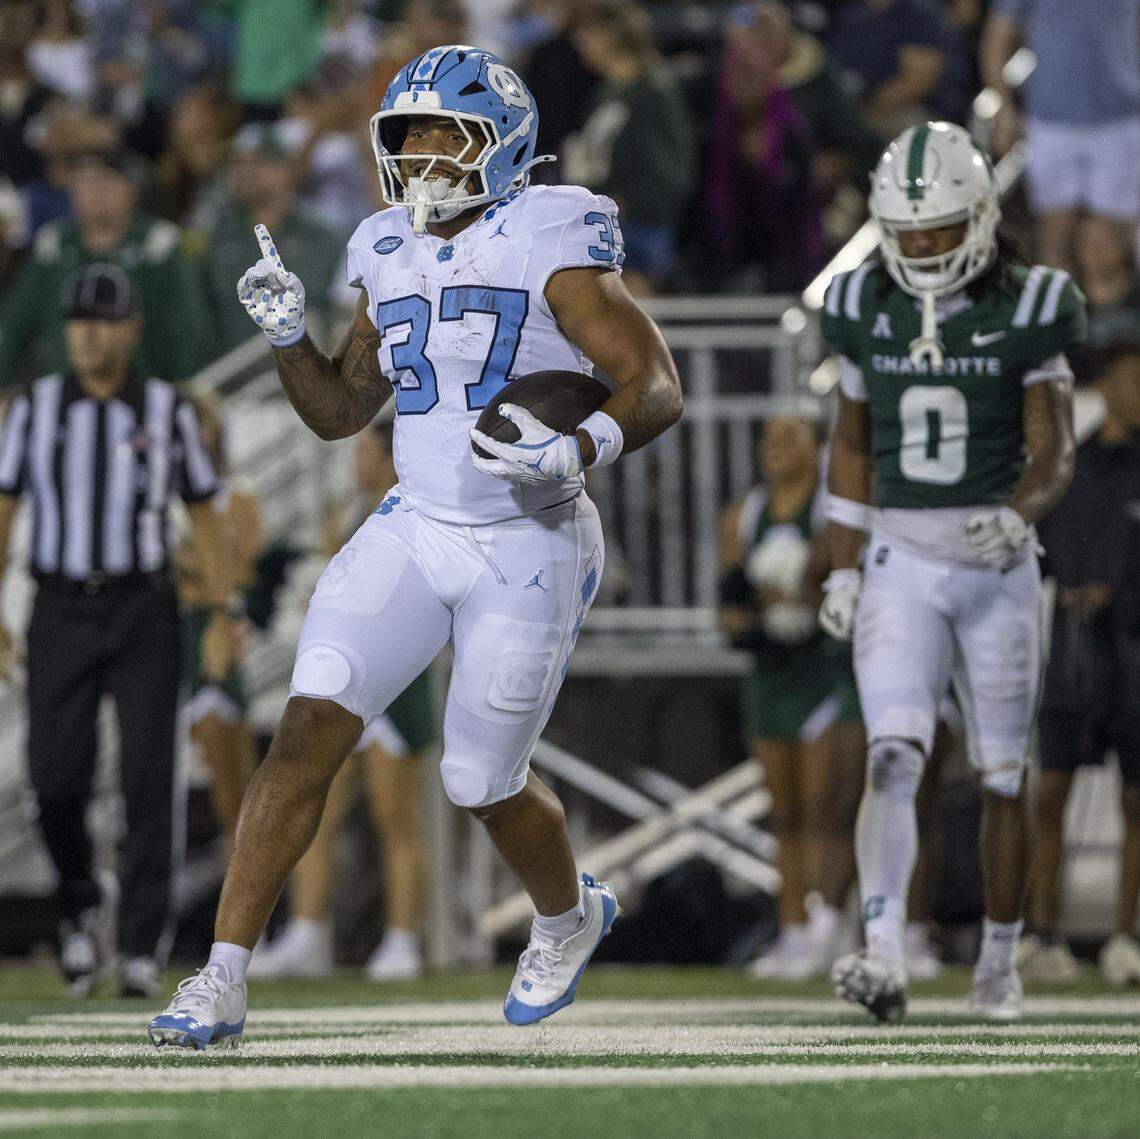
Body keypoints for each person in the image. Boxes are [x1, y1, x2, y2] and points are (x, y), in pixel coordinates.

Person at [147, 44, 682, 1049]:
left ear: (505, 143)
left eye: (451, 135)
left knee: (480, 781)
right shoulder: (383, 245)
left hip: (531, 536)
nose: (428, 156)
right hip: (416, 521)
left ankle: (569, 916)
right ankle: (219, 977)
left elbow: (654, 380)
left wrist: (582, 446)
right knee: (306, 725)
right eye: (410, 138)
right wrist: (285, 338)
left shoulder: (550, 237)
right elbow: (344, 410)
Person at [818, 122, 1082, 1023]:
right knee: (893, 752)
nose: (924, 247)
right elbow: (849, 445)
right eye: (910, 231)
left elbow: (1055, 445)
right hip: (901, 556)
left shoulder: (1033, 302)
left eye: (939, 230)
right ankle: (884, 950)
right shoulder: (862, 305)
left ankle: (999, 965)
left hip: (998, 566)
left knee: (1005, 773)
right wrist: (841, 566)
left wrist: (1017, 513)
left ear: (979, 219)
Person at [0, 263, 234, 998]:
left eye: (102, 319)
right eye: (77, 320)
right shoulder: (33, 410)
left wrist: (222, 613)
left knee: (147, 778)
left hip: (144, 608)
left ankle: (138, 943)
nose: (87, 333)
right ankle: (79, 904)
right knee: (53, 777)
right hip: (60, 607)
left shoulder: (166, 411)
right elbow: (4, 509)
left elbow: (203, 510)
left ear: (131, 329)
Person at [250, 420, 437, 981]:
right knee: (318, 812)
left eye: (364, 451)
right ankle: (308, 934)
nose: (356, 462)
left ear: (390, 459)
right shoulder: (348, 512)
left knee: (394, 817)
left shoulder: (420, 512)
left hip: (399, 681)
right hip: (351, 680)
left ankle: (404, 942)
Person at [719, 414, 862, 980]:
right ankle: (793, 931)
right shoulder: (743, 516)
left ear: (817, 449)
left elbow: (833, 586)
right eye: (768, 437)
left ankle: (828, 920)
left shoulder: (833, 512)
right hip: (771, 674)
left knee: (825, 805)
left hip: (823, 672)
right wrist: (760, 618)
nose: (775, 447)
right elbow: (728, 608)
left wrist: (804, 607)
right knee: (786, 813)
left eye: (790, 437)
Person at [1022, 341, 1140, 988]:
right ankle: (1044, 934)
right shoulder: (1072, 468)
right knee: (1052, 794)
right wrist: (1073, 589)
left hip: (1135, 650)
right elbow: (1039, 556)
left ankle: (1127, 934)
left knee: (1135, 800)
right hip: (1072, 652)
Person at [0, 148, 206, 387]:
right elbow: (14, 327)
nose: (94, 194)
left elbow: (187, 332)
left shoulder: (159, 245)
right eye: (84, 184)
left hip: (145, 393)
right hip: (64, 393)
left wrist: (184, 390)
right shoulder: (54, 244)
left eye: (104, 183)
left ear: (130, 189)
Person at [980, 2, 1140, 275]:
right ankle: (1061, 314)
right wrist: (1004, 109)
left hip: (1120, 117)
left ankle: (1121, 315)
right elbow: (997, 35)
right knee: (1055, 236)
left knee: (1119, 237)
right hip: (1051, 120)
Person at [174, 392, 262, 849]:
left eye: (200, 423)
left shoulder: (237, 495)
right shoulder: (162, 495)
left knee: (230, 765)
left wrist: (191, 567)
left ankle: (240, 855)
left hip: (214, 629)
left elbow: (241, 569)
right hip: (168, 634)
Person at [564, 0, 696, 291]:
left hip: (640, 232)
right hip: (600, 225)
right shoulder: (605, 92)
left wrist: (629, 204)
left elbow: (671, 170)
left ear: (610, 35)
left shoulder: (654, 91)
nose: (581, 43)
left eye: (587, 34)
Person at [198, 122, 348, 359]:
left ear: (285, 170)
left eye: (257, 163)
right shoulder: (215, 236)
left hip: (308, 372)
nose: (245, 172)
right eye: (237, 163)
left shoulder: (323, 238)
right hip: (230, 378)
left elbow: (341, 314)